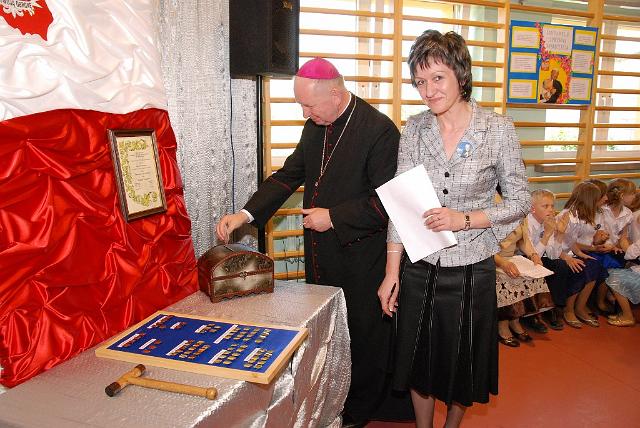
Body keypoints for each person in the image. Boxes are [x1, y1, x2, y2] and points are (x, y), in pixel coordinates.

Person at [216, 57, 411, 426]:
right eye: (301, 105)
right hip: (323, 254)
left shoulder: (379, 131)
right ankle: (333, 397)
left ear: (335, 95)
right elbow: (288, 175)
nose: (305, 113)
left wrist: (333, 216)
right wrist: (245, 215)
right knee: (330, 334)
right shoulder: (316, 125)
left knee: (364, 337)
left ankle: (359, 411)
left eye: (309, 105)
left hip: (363, 257)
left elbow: (388, 203)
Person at [377, 30, 530, 428]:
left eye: (437, 77)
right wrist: (392, 272)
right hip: (419, 264)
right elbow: (400, 205)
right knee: (417, 359)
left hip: (471, 267)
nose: (428, 90)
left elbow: (520, 202)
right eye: (420, 82)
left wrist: (465, 219)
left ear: (461, 75)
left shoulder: (497, 129)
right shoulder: (414, 129)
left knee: (463, 363)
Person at [495, 217, 554, 347]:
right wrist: (503, 263)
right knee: (508, 278)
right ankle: (502, 325)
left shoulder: (520, 214)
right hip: (492, 260)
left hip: (511, 258)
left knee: (532, 274)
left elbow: (523, 241)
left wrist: (533, 255)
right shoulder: (491, 211)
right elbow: (484, 248)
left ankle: (515, 320)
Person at [556, 182, 603, 328]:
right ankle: (569, 309)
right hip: (557, 253)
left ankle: (580, 307)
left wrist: (580, 253)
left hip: (569, 252)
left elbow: (571, 241)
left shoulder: (577, 215)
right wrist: (569, 257)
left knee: (593, 263)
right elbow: (556, 243)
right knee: (581, 268)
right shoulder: (567, 216)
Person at [524, 189, 571, 331]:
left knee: (560, 265)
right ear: (532, 209)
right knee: (537, 267)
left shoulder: (548, 222)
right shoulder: (527, 222)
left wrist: (560, 234)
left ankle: (553, 308)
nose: (551, 210)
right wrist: (547, 235)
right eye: (545, 206)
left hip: (540, 257)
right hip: (525, 258)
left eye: (552, 206)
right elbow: (532, 255)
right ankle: (531, 314)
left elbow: (553, 255)